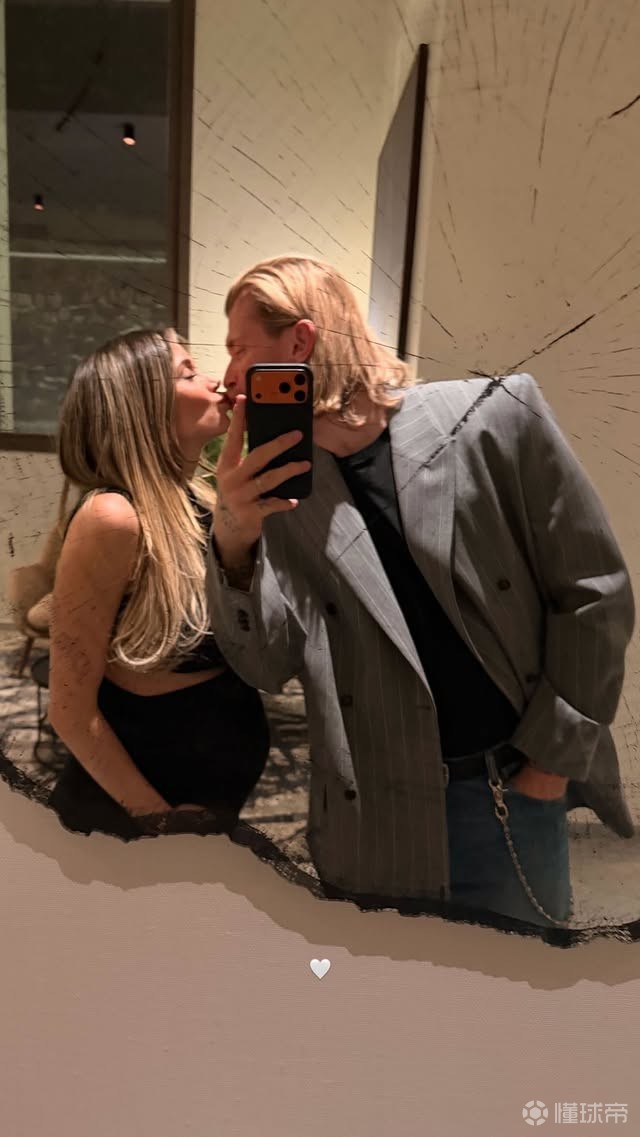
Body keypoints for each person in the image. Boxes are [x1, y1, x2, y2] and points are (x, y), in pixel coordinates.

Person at [204, 254, 635, 929]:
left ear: (300, 341)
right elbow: (266, 664)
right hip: (369, 816)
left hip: (506, 791)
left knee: (511, 986)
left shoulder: (494, 418)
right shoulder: (280, 496)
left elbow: (594, 593)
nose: (226, 375)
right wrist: (234, 538)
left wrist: (548, 767)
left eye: (238, 348)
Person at [47, 328, 270, 840]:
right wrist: (159, 821)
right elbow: (69, 710)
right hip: (131, 819)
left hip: (207, 807)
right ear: (142, 406)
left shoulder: (198, 500)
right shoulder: (113, 517)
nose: (213, 382)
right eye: (188, 373)